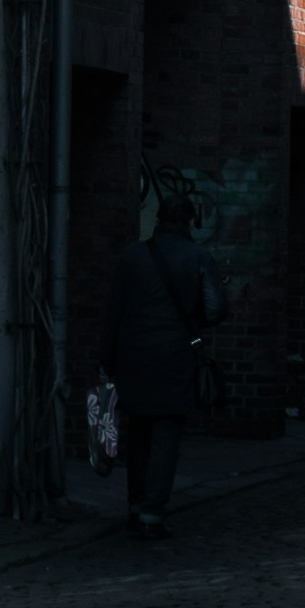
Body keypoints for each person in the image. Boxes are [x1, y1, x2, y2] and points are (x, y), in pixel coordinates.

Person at [104, 183, 208, 535]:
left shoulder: (133, 256)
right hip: (176, 358)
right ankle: (152, 512)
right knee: (166, 435)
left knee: (139, 433)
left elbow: (113, 313)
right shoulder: (198, 258)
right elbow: (217, 307)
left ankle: (135, 505)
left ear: (159, 219)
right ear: (190, 221)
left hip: (133, 357)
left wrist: (107, 359)